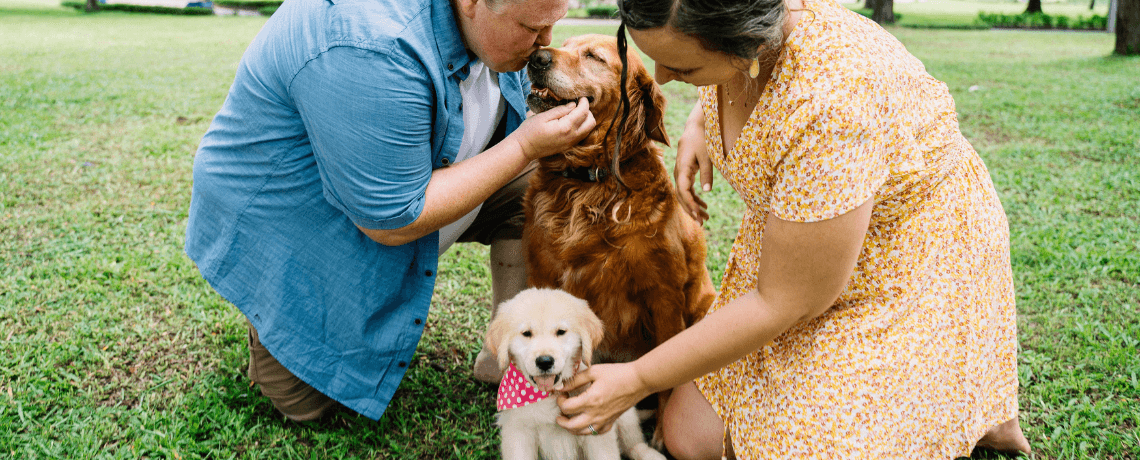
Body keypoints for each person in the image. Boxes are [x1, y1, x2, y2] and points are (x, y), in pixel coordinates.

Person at [554, 0, 1033, 458]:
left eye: (685, 69)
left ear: (746, 44)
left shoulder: (834, 105)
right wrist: (702, 121)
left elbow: (782, 301)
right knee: (687, 435)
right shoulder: (756, 22)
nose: (661, 78)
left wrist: (637, 379)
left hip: (907, 254)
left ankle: (971, 405)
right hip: (801, 244)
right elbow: (724, 74)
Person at [184, 0, 595, 422]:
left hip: (400, 178)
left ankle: (506, 355)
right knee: (314, 406)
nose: (545, 43)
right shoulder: (370, 46)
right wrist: (524, 145)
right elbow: (396, 220)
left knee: (543, 188)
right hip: (296, 219)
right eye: (532, 27)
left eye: (553, 25)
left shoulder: (491, 34)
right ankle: (277, 306)